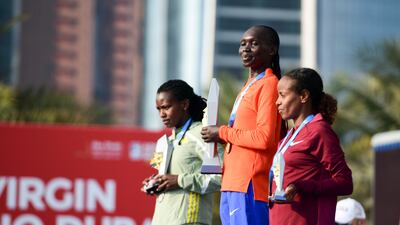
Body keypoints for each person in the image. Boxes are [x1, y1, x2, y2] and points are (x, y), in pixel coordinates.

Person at [201, 25, 283, 225]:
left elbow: (264, 138)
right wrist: (220, 137)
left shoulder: (270, 84)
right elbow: (240, 135)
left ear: (271, 50)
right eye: (242, 44)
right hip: (231, 181)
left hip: (250, 182)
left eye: (254, 44)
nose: (245, 49)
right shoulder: (248, 85)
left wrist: (221, 131)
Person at [269, 68, 353, 225]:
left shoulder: (320, 131)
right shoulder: (289, 135)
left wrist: (301, 186)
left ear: (303, 96)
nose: (277, 102)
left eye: (282, 95)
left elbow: (345, 182)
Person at [142, 80, 221, 225]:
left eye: (166, 107)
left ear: (184, 104)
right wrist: (155, 182)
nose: (162, 114)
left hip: (191, 220)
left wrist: (179, 180)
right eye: (158, 109)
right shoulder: (165, 141)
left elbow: (221, 179)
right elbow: (167, 177)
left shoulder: (202, 134)